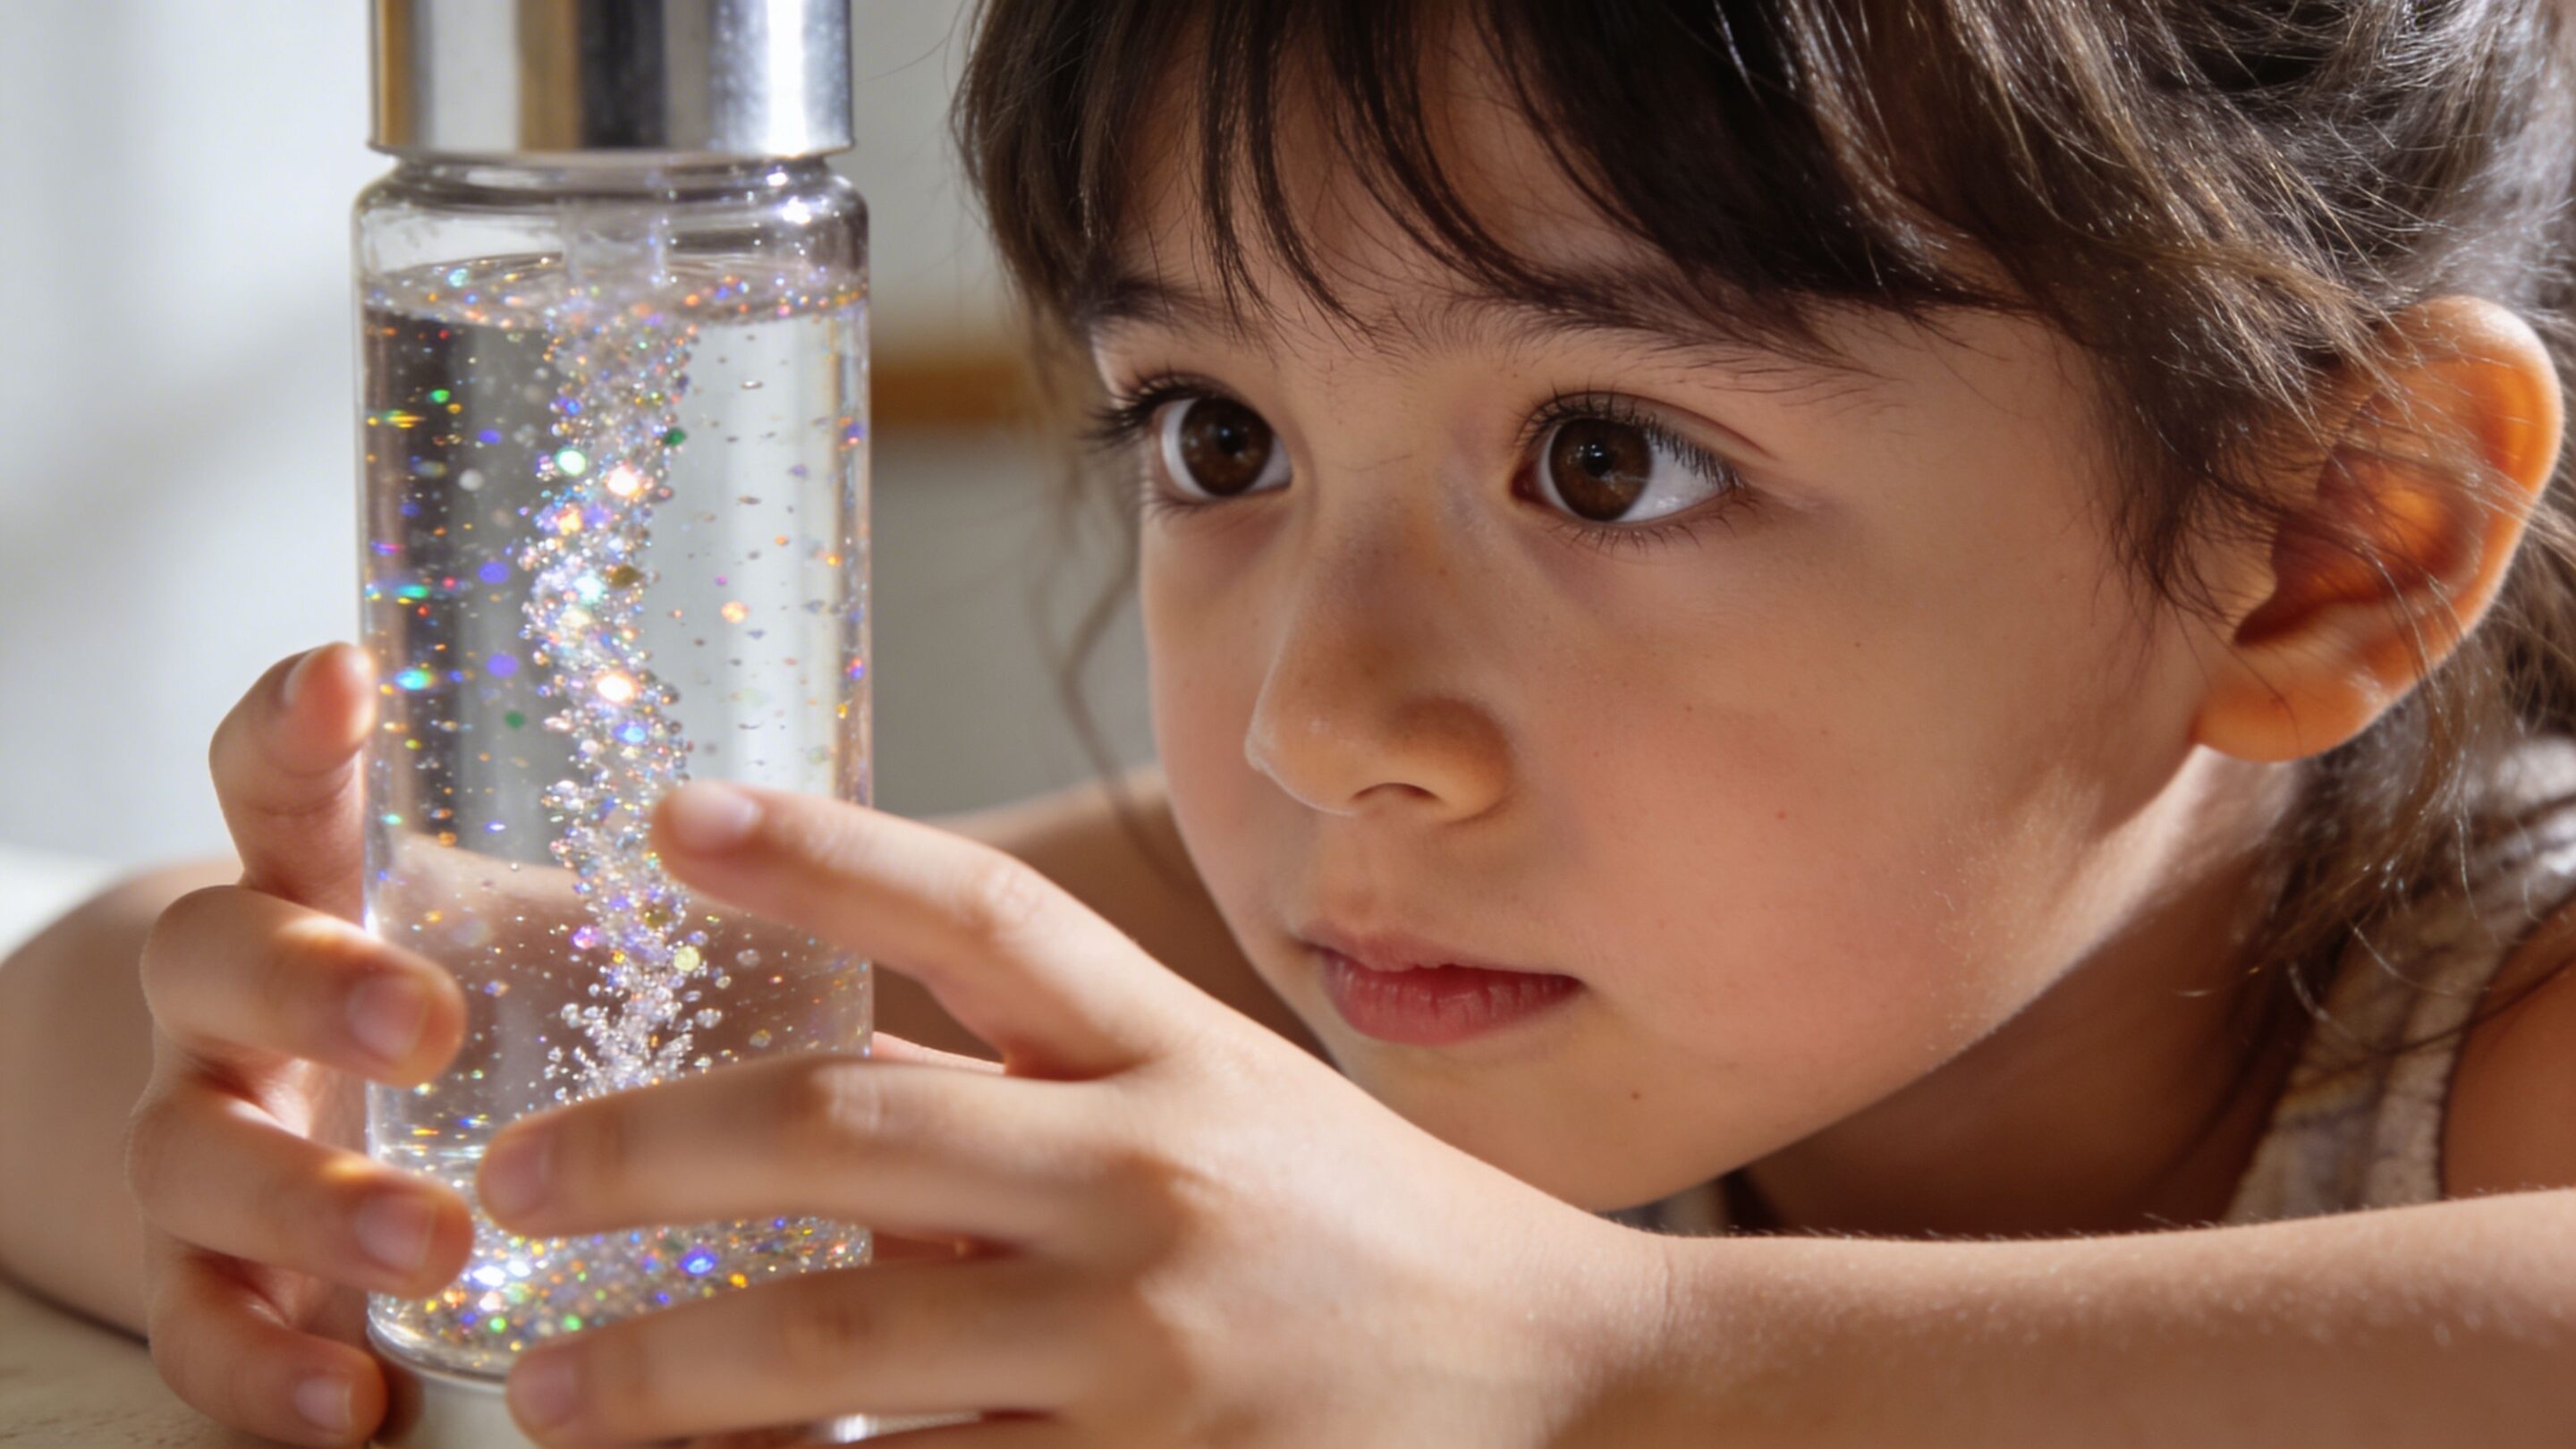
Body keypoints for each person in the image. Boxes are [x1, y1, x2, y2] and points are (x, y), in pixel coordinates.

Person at [8, 0, 2576, 1443]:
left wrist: (1596, 1366)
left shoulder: (2504, 1019)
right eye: (1218, 436)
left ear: (2327, 539)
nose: (1325, 727)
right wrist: (322, 1127)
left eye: (1610, 458)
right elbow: (40, 1026)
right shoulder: (1359, 953)